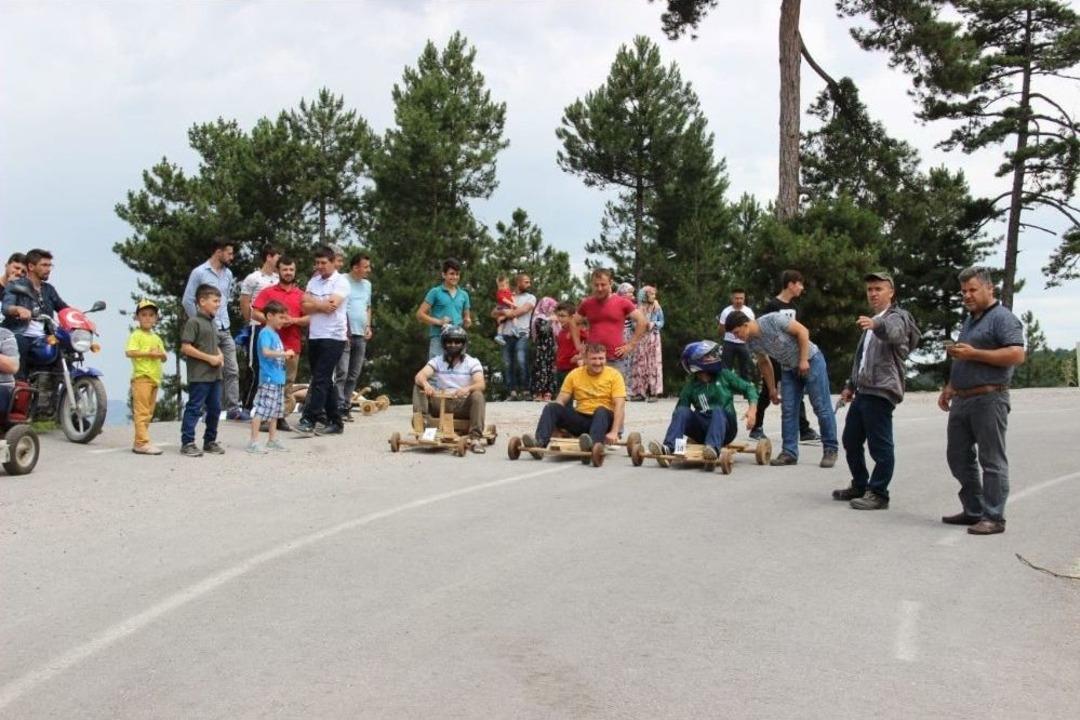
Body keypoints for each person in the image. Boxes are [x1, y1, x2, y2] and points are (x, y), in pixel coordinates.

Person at [938, 266, 1025, 536]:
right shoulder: (970, 320)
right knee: (957, 456)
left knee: (991, 459)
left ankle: (994, 516)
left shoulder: (1003, 318)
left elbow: (1016, 354)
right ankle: (974, 510)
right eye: (963, 291)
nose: (967, 295)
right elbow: (965, 357)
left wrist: (975, 353)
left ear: (990, 288)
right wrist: (951, 386)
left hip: (990, 397)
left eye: (973, 289)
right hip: (963, 399)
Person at [832, 272, 921, 510]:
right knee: (850, 440)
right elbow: (861, 359)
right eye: (870, 289)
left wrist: (876, 324)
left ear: (891, 292)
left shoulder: (898, 317)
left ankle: (879, 492)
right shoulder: (871, 322)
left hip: (882, 389)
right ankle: (861, 485)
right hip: (863, 390)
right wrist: (850, 386)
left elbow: (894, 333)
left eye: (878, 289)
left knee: (880, 446)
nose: (873, 293)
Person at [725, 309, 838, 468]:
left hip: (811, 360)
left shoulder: (773, 320)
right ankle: (789, 452)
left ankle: (830, 449)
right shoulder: (751, 342)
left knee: (821, 406)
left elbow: (803, 332)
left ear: (745, 325)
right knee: (789, 410)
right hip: (788, 368)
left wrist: (804, 360)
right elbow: (764, 363)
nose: (738, 337)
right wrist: (771, 389)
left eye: (737, 333)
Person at [649, 340, 757, 462]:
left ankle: (713, 449)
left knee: (717, 410)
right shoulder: (691, 386)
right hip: (702, 430)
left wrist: (752, 410)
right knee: (681, 411)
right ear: (698, 361)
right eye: (709, 356)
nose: (715, 357)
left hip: (726, 428)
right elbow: (679, 418)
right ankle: (670, 448)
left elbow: (749, 388)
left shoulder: (724, 375)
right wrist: (680, 449)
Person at [749, 270, 818, 443]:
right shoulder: (772, 306)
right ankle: (757, 426)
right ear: (791, 284)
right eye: (800, 284)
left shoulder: (795, 308)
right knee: (767, 390)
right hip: (774, 354)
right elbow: (762, 330)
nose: (802, 288)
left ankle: (804, 429)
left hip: (790, 356)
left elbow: (798, 331)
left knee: (797, 391)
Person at [182, 240, 246, 422]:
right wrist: (201, 322)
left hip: (224, 327)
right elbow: (187, 300)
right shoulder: (199, 272)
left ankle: (233, 408)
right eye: (229, 253)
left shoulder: (228, 274)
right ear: (218, 252)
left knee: (232, 368)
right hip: (207, 329)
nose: (231, 257)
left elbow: (224, 300)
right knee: (208, 370)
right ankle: (205, 410)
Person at [521, 342, 626, 452]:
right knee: (551, 407)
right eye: (593, 359)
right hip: (581, 418)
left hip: (604, 420)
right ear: (585, 359)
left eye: (601, 358)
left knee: (600, 410)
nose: (598, 362)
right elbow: (561, 401)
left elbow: (619, 406)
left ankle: (593, 445)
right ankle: (540, 443)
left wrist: (614, 432)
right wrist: (555, 426)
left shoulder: (614, 375)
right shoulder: (574, 375)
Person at [296, 245, 351, 436]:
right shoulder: (313, 281)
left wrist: (314, 304)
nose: (319, 266)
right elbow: (303, 306)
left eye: (323, 263)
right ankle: (336, 421)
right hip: (315, 335)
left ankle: (309, 419)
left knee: (319, 378)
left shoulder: (341, 282)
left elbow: (332, 306)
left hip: (334, 336)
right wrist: (319, 304)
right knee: (325, 380)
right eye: (317, 263)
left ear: (332, 262)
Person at [252, 256, 309, 429]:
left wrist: (293, 321)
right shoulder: (268, 292)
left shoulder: (302, 295)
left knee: (287, 383)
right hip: (270, 345)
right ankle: (264, 418)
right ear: (278, 271)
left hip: (292, 344)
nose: (288, 273)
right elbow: (255, 312)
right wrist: (272, 322)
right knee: (269, 382)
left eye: (291, 269)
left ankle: (279, 418)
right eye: (285, 269)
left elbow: (309, 318)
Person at [412, 324, 488, 453]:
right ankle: (423, 425)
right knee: (418, 385)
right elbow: (420, 376)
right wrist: (426, 385)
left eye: (457, 341)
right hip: (441, 402)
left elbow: (481, 384)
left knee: (478, 395)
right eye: (449, 341)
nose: (453, 345)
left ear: (463, 344)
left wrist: (467, 389)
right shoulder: (437, 361)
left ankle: (475, 438)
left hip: (462, 404)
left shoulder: (472, 362)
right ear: (444, 343)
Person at [1, 248, 68, 378]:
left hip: (43, 336)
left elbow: (63, 308)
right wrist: (18, 309)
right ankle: (19, 384)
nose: (48, 269)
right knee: (20, 342)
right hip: (20, 332)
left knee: (65, 345)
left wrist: (81, 319)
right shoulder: (15, 285)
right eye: (44, 265)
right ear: (31, 266)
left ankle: (64, 381)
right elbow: (6, 307)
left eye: (50, 265)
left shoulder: (49, 289)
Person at [571, 269, 646, 385]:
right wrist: (578, 345)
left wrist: (631, 345)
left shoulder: (622, 303)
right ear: (592, 284)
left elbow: (642, 321)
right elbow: (573, 322)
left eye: (603, 285)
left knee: (615, 395)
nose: (599, 288)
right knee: (592, 394)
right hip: (592, 358)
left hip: (615, 357)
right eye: (596, 285)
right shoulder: (587, 303)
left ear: (610, 283)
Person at [179, 284, 226, 457]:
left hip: (215, 375)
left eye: (219, 301)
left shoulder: (213, 323)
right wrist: (209, 359)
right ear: (202, 301)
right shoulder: (194, 322)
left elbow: (215, 346)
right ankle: (188, 442)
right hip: (200, 375)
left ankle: (210, 441)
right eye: (215, 301)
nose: (218, 304)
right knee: (195, 407)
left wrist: (219, 356)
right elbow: (186, 347)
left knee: (215, 408)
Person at [247, 301, 293, 454]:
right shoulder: (265, 333)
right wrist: (284, 354)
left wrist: (285, 356)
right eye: (280, 317)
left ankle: (272, 440)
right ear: (269, 316)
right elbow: (266, 352)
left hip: (278, 379)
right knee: (261, 410)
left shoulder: (275, 334)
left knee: (274, 411)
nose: (283, 321)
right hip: (268, 379)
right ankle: (253, 442)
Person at [239, 245, 280, 411]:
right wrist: (249, 321)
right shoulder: (253, 278)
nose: (279, 261)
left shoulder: (278, 279)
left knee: (273, 364)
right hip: (258, 326)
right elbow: (244, 302)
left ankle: (268, 404)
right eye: (277, 257)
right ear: (269, 257)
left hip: (274, 329)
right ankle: (247, 405)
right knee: (255, 365)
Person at [125, 299, 168, 455]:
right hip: (141, 377)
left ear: (156, 318)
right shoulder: (136, 335)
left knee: (148, 412)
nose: (148, 318)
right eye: (144, 315)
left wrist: (161, 355)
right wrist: (148, 353)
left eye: (151, 315)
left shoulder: (156, 338)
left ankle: (140, 441)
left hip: (154, 378)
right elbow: (129, 352)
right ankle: (142, 442)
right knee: (142, 412)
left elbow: (163, 356)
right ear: (137, 317)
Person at [335, 253, 373, 420]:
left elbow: (368, 307)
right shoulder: (342, 280)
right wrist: (344, 330)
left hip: (361, 334)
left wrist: (368, 326)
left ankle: (345, 405)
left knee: (354, 373)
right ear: (355, 267)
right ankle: (337, 406)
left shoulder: (367, 285)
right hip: (344, 333)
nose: (368, 270)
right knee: (342, 371)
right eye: (365, 267)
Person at [491, 273, 536, 400]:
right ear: (518, 283)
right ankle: (512, 392)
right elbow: (493, 313)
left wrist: (504, 315)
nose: (529, 284)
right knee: (507, 363)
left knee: (521, 359)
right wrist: (501, 311)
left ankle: (526, 390)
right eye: (526, 282)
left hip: (522, 333)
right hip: (506, 334)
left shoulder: (531, 297)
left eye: (529, 282)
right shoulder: (508, 295)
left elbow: (521, 311)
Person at [417, 258, 472, 359]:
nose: (455, 277)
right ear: (444, 275)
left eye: (457, 274)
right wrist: (439, 322)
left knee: (458, 373)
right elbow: (420, 315)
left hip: (458, 340)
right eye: (451, 274)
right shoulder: (435, 292)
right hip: (438, 338)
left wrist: (467, 321)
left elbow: (467, 318)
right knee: (436, 373)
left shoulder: (464, 295)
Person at [630, 285, 664, 402]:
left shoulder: (657, 307)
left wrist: (653, 324)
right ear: (644, 296)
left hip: (653, 337)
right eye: (651, 294)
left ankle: (654, 392)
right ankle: (639, 392)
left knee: (653, 364)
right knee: (640, 364)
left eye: (654, 294)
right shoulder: (637, 308)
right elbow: (633, 323)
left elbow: (662, 321)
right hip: (641, 337)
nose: (654, 297)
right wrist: (641, 326)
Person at [717, 288, 755, 381]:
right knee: (726, 369)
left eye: (741, 298)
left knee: (745, 369)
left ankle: (746, 391)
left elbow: (753, 328)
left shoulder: (749, 311)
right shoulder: (726, 311)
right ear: (732, 298)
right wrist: (722, 339)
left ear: (744, 298)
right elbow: (721, 328)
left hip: (744, 343)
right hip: (729, 342)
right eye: (736, 298)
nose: (739, 301)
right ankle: (726, 392)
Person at [530, 297, 559, 401]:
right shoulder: (538, 318)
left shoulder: (556, 318)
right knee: (540, 370)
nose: (552, 309)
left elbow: (558, 333)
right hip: (542, 349)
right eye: (551, 306)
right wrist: (550, 321)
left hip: (552, 349)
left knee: (550, 370)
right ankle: (539, 393)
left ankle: (548, 393)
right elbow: (542, 331)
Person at [554, 301, 585, 391]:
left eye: (563, 316)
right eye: (558, 315)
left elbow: (590, 342)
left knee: (570, 395)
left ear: (571, 317)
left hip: (572, 369)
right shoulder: (560, 332)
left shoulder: (576, 331)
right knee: (562, 396)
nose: (560, 319)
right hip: (560, 368)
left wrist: (580, 356)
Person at [492, 275, 517, 346]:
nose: (501, 288)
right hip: (503, 307)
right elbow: (504, 300)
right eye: (499, 286)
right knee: (514, 316)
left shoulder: (508, 291)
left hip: (505, 308)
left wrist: (512, 295)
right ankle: (515, 328)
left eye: (503, 286)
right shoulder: (499, 293)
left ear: (507, 285)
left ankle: (499, 335)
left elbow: (510, 296)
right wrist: (512, 304)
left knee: (502, 322)